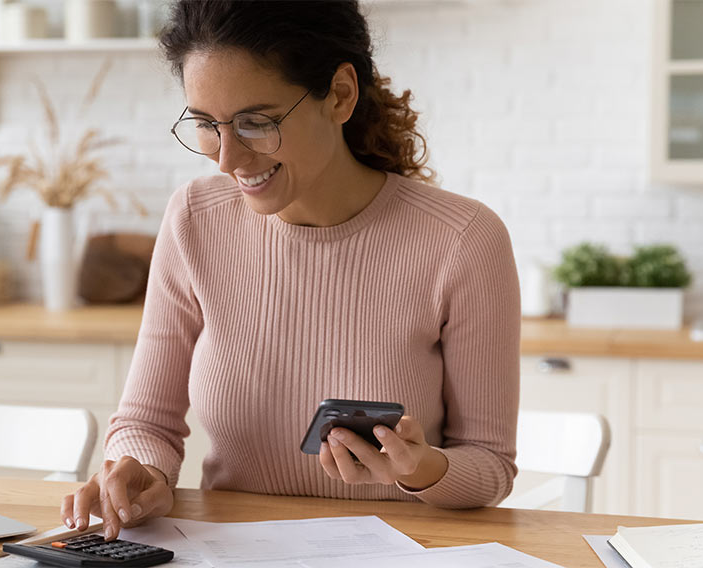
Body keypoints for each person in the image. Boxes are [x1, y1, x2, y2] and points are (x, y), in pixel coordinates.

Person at [63, 0, 521, 540]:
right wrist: (141, 470)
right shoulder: (194, 219)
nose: (227, 158)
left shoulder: (462, 239)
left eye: (258, 122)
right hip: (229, 551)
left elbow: (490, 466)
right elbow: (147, 422)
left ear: (341, 95)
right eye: (208, 125)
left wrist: (419, 469)